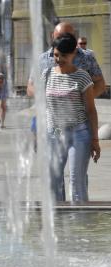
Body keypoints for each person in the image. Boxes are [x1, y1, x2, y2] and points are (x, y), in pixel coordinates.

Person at [41, 33, 100, 202]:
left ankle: (80, 223)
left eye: (63, 56)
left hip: (78, 135)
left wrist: (95, 139)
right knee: (54, 181)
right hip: (54, 134)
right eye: (56, 55)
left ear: (73, 53)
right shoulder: (46, 75)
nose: (58, 59)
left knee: (76, 182)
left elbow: (90, 110)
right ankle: (58, 223)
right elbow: (42, 106)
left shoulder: (82, 77)